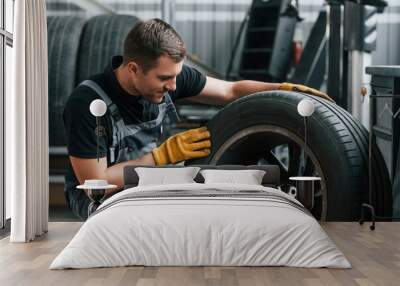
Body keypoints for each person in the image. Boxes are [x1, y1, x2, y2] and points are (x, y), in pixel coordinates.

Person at [63, 18, 331, 220]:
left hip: (148, 180)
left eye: (176, 75)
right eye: (164, 78)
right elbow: (94, 184)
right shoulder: (87, 103)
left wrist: (283, 89)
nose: (173, 86)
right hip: (101, 197)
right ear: (133, 68)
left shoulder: (170, 77)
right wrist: (160, 157)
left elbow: (231, 90)